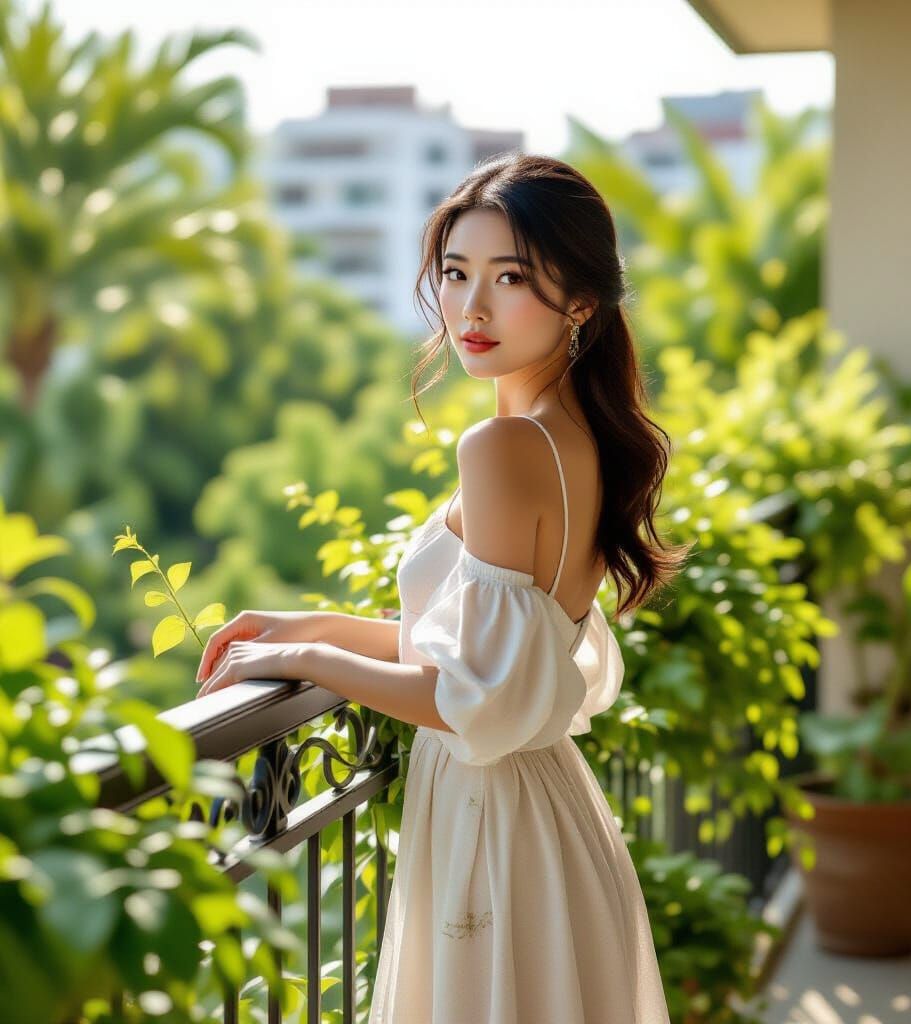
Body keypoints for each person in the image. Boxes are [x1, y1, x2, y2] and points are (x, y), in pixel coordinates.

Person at [195, 152, 690, 1023]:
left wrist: (307, 659)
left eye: (512, 278)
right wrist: (308, 626)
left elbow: (467, 700)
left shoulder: (504, 448)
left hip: (489, 823)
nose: (472, 307)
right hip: (537, 812)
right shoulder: (572, 432)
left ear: (581, 300)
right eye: (457, 274)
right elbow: (473, 652)